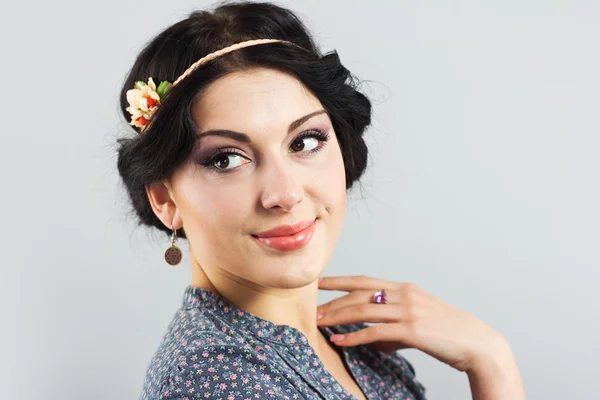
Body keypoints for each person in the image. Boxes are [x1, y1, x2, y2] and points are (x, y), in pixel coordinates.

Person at [116, 1, 526, 399]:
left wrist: (488, 355)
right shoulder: (210, 379)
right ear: (164, 198)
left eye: (305, 141)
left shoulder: (353, 344)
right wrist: (493, 364)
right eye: (226, 159)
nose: (286, 194)